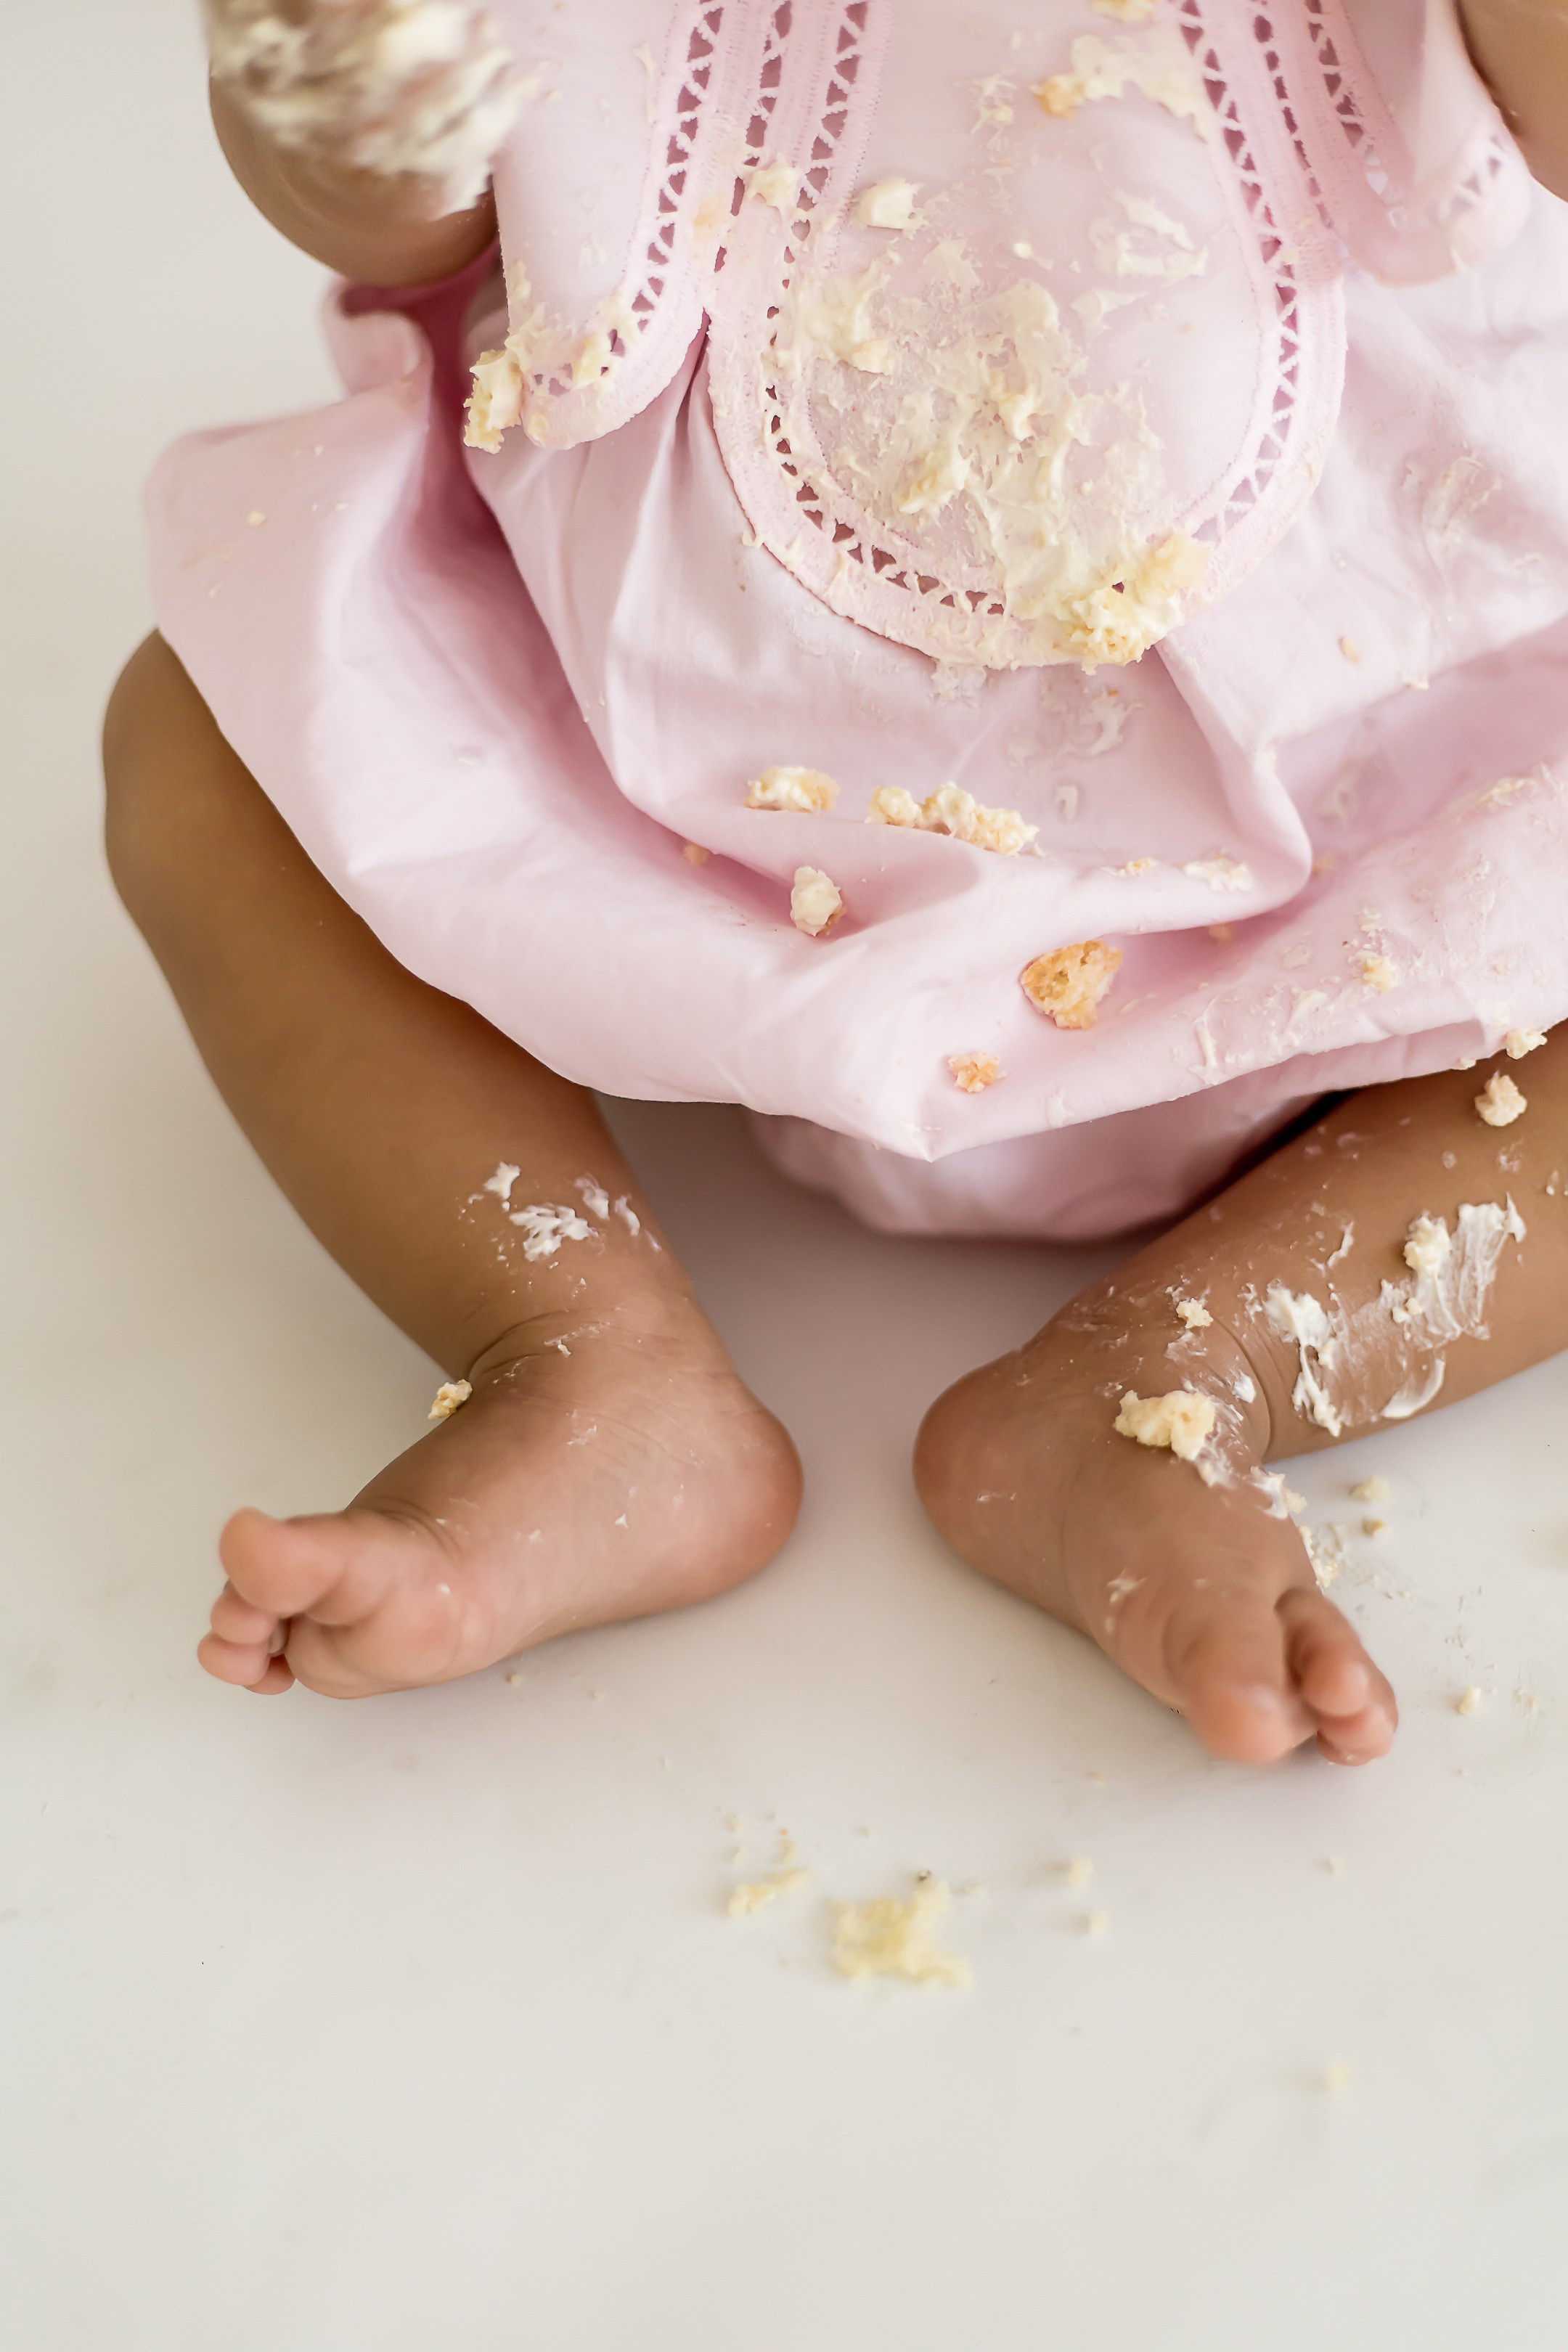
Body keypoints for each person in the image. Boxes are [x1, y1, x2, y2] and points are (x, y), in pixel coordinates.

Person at [103, 0, 1568, 1763]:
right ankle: (579, 1347)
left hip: (1375, 819)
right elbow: (401, 204)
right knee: (208, 741)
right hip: (676, 814)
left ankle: (1188, 1368)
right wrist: (348, 61)